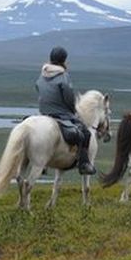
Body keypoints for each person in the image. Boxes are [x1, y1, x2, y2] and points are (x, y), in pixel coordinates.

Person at [35, 46, 96, 175]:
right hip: (61, 113)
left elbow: (38, 88)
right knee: (85, 133)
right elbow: (68, 97)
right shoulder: (63, 76)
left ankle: (41, 162)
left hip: (44, 113)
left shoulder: (42, 74)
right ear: (63, 60)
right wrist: (72, 110)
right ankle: (84, 164)